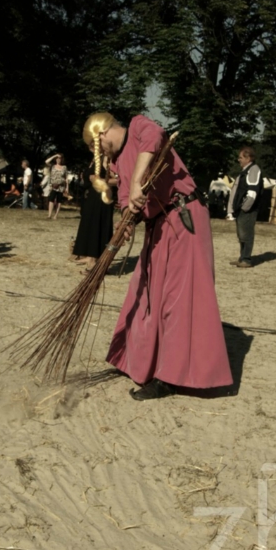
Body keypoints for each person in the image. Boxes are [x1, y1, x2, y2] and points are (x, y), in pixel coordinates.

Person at [82, 112, 233, 401]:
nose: (96, 153)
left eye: (93, 146)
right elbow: (129, 202)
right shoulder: (117, 162)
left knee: (177, 298)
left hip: (183, 218)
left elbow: (155, 139)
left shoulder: (139, 126)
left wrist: (138, 180)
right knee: (145, 294)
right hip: (158, 226)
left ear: (101, 135)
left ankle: (169, 377)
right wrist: (126, 222)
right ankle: (136, 361)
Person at [71, 156, 115, 270]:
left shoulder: (116, 161)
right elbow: (88, 176)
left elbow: (120, 180)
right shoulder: (97, 160)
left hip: (105, 197)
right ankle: (89, 254)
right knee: (89, 224)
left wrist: (101, 181)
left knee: (99, 225)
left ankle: (95, 257)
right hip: (92, 197)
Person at [228, 147, 263, 268]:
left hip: (248, 209)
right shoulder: (245, 170)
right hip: (241, 209)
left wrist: (245, 207)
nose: (239, 160)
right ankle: (242, 257)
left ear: (248, 158)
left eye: (241, 157)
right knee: (241, 235)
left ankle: (247, 259)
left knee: (246, 234)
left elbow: (253, 191)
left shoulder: (253, 170)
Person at [47, 154, 68, 219]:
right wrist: (55, 155)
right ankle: (49, 214)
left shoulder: (64, 167)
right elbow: (46, 161)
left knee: (59, 201)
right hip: (53, 186)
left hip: (61, 186)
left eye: (60, 158)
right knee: (51, 199)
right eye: (57, 158)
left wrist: (67, 188)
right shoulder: (52, 166)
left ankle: (55, 215)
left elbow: (66, 178)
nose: (58, 159)